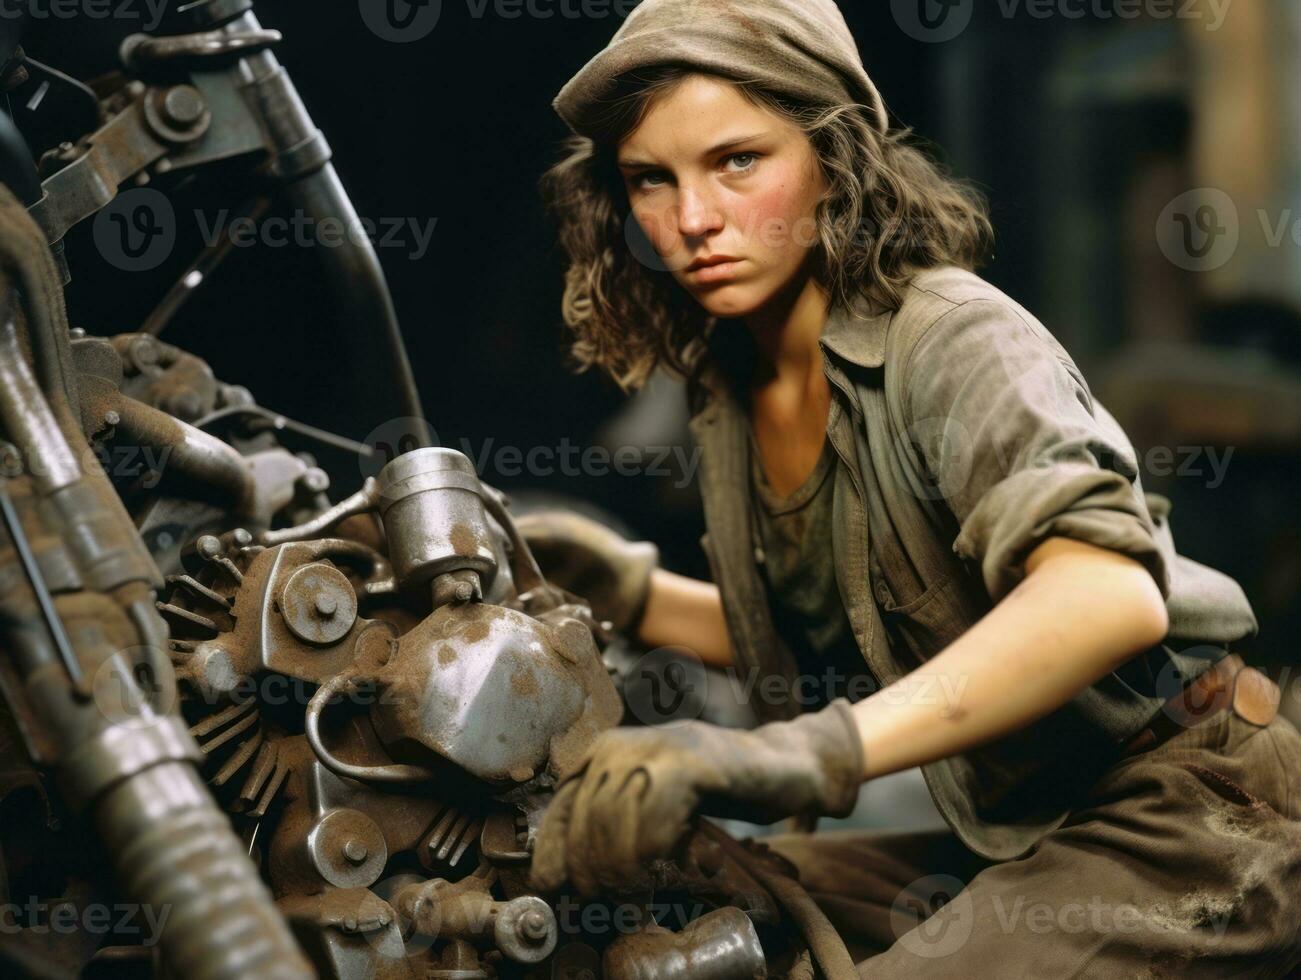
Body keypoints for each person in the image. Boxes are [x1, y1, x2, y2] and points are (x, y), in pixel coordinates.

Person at [516, 1, 1301, 975]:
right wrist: (633, 594)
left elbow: (1106, 593)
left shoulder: (949, 335)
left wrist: (800, 754)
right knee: (675, 900)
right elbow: (863, 620)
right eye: (649, 179)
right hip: (1010, 826)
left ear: (833, 162)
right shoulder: (729, 385)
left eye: (736, 161)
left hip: (1189, 807)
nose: (690, 219)